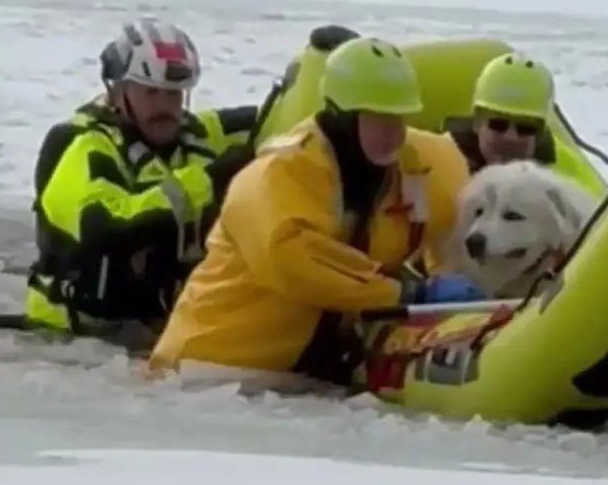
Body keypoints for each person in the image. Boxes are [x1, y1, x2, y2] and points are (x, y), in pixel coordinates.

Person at [149, 36, 484, 380]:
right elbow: (296, 262)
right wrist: (410, 293)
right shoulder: (276, 175)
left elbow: (463, 223)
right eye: (379, 118)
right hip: (207, 372)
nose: (394, 133)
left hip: (307, 375)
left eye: (400, 118)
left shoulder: (424, 164)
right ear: (342, 116)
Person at [25, 20, 257, 341]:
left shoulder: (196, 135)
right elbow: (107, 227)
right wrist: (209, 181)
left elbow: (272, 119)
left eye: (174, 95)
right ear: (119, 92)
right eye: (151, 93)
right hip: (73, 338)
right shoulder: (81, 146)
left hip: (151, 329)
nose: (165, 107)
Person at [444, 52, 558, 172]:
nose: (511, 137)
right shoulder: (437, 164)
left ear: (539, 134)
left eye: (525, 128)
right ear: (477, 123)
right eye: (498, 125)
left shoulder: (564, 173)